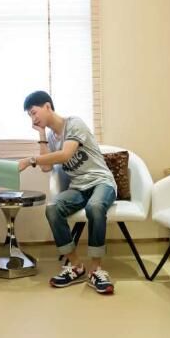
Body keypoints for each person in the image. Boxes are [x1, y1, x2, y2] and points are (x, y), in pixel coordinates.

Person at [18, 90, 116, 295]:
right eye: (29, 115)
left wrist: (30, 160)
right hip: (78, 187)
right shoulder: (51, 137)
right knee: (52, 208)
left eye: (34, 112)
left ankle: (96, 269)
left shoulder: (74, 123)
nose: (33, 118)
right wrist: (41, 135)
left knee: (95, 207)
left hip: (101, 182)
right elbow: (47, 168)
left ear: (47, 106)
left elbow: (65, 155)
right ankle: (76, 266)